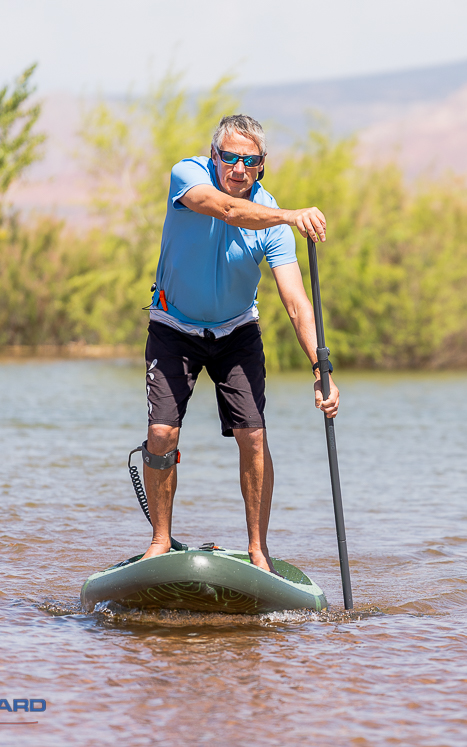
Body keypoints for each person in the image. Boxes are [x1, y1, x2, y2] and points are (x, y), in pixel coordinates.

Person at [139, 114, 338, 574]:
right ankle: (160, 542)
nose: (237, 168)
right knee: (163, 433)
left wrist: (320, 370)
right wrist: (291, 214)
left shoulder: (271, 222)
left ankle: (257, 551)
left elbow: (295, 302)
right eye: (229, 157)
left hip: (236, 331)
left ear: (261, 166)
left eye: (249, 161)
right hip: (173, 326)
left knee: (253, 435)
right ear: (215, 156)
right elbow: (228, 211)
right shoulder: (187, 176)